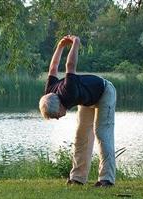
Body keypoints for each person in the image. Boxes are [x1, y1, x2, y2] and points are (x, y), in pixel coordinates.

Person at [39, 35, 116, 187]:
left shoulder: (68, 91)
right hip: (87, 99)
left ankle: (106, 179)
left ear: (60, 105)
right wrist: (60, 46)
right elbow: (53, 67)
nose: (58, 118)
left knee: (102, 133)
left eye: (56, 116)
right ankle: (77, 178)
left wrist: (76, 43)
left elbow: (70, 65)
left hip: (105, 92)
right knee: (81, 136)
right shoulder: (50, 91)